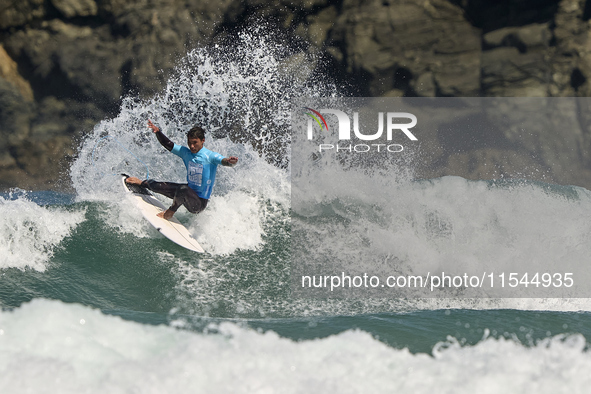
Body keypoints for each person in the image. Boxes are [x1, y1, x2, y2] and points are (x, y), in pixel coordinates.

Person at [126, 120, 238, 220]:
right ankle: (141, 183)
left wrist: (230, 161)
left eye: (195, 142)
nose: (192, 146)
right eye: (190, 143)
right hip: (185, 193)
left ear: (202, 140)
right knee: (157, 186)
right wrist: (158, 132)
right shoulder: (186, 152)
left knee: (183, 189)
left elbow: (223, 161)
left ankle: (170, 212)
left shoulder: (210, 156)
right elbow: (168, 144)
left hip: (198, 203)